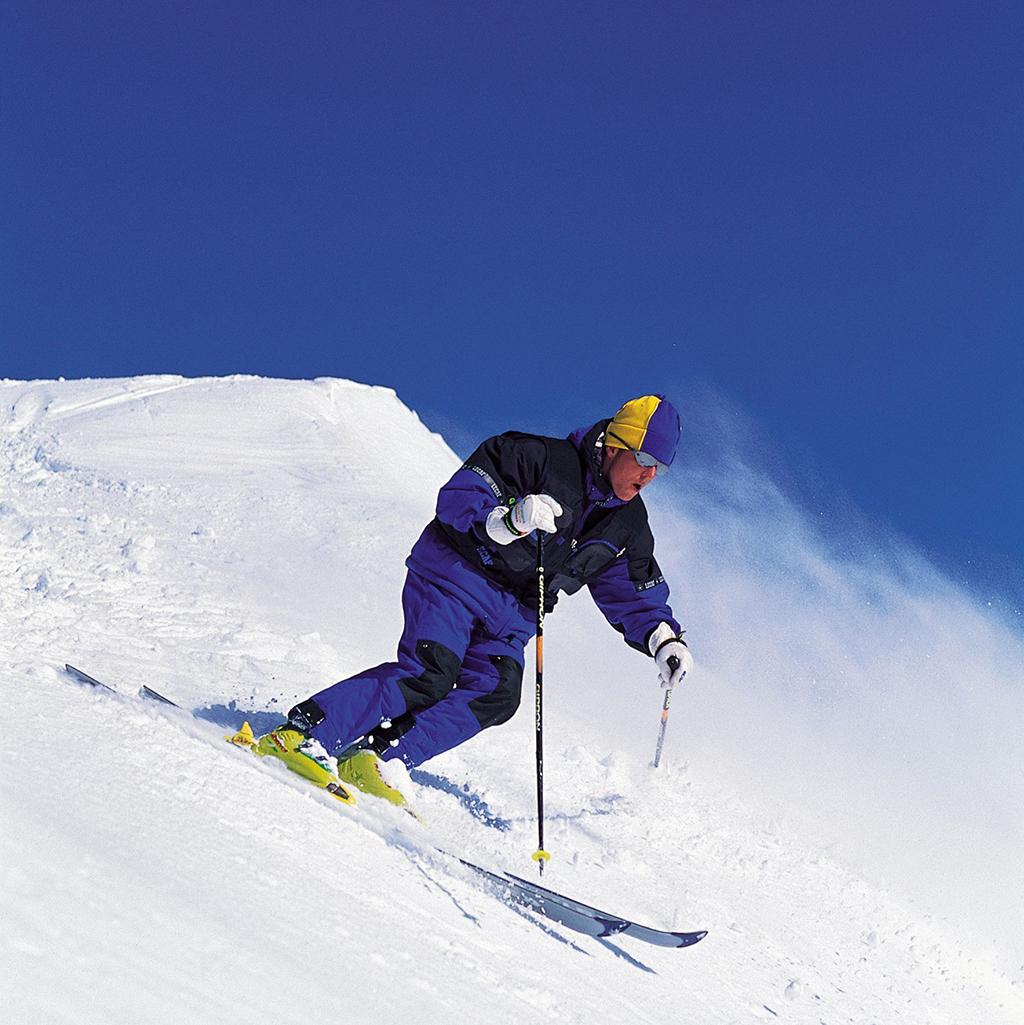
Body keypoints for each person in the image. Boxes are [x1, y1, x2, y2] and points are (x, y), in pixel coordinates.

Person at [253, 394, 693, 806]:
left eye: (661, 469)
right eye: (645, 460)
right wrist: (505, 521)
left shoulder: (628, 526)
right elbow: (458, 497)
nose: (650, 475)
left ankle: (379, 758)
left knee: (497, 692)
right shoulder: (535, 457)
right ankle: (301, 734)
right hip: (455, 577)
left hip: (513, 616)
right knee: (430, 673)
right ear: (616, 445)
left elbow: (632, 591)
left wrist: (663, 639)